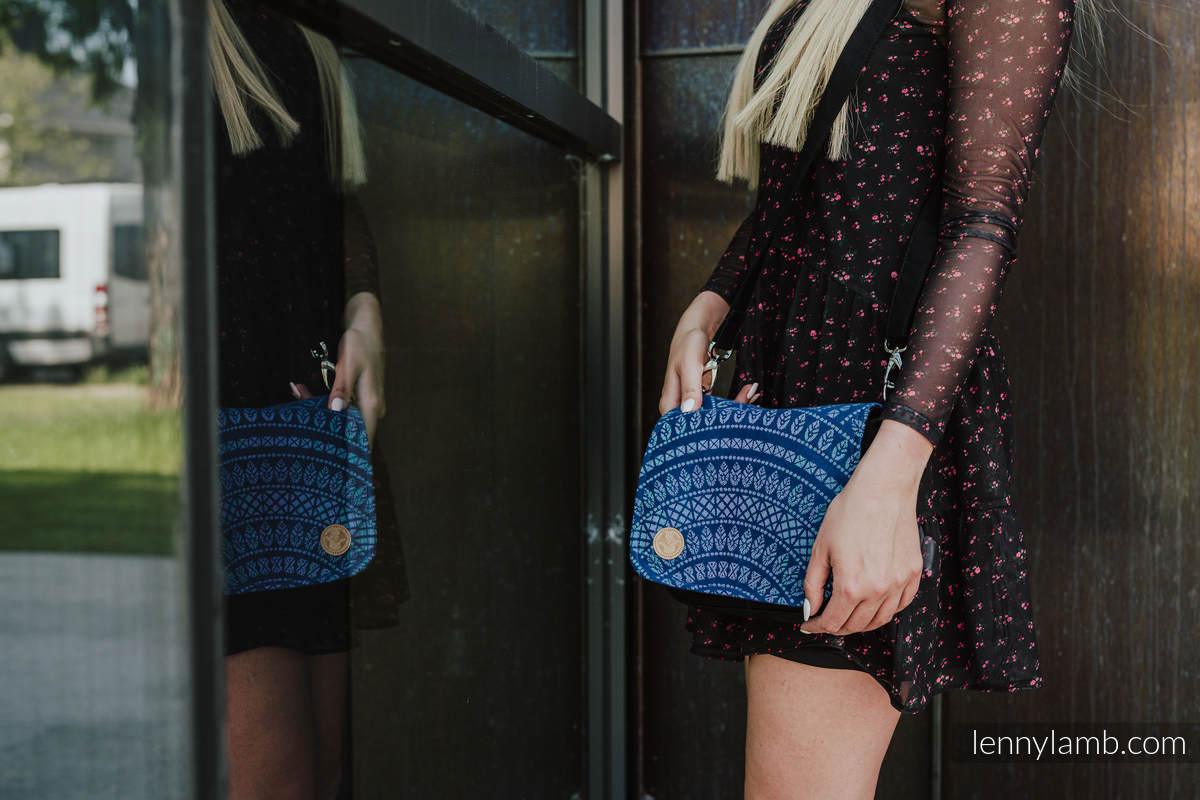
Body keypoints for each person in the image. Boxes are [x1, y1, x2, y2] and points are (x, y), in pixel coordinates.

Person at [657, 0, 1098, 796]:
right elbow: (797, 197)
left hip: (873, 424)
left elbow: (982, 225)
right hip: (794, 406)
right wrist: (711, 305)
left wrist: (889, 480)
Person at [208, 0, 409, 796]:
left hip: (303, 430)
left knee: (319, 773)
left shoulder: (300, 35)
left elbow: (327, 206)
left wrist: (365, 309)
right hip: (216, 440)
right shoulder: (169, 32)